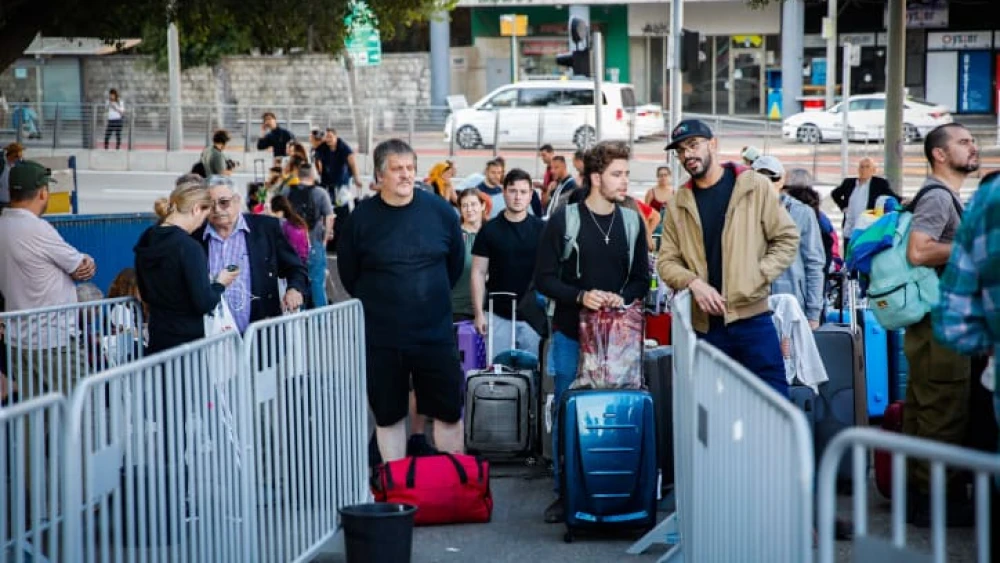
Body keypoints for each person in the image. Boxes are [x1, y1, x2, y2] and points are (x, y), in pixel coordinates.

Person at [534, 140, 650, 523]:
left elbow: (640, 279)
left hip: (617, 340)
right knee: (570, 409)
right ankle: (564, 491)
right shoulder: (565, 219)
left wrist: (620, 297)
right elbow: (544, 279)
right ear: (596, 177)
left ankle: (611, 490)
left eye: (626, 174)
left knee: (614, 411)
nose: (624, 182)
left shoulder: (632, 220)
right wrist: (582, 295)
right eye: (617, 174)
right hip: (570, 333)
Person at [337, 138, 466, 463]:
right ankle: (395, 488)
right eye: (397, 169)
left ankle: (454, 489)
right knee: (388, 414)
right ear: (380, 176)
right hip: (383, 338)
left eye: (410, 168)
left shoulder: (441, 212)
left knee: (449, 412)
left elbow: (453, 266)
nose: (406, 175)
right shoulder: (360, 220)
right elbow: (350, 275)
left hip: (435, 334)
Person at [656, 119, 799, 396]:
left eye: (693, 145)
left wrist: (757, 276)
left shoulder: (753, 186)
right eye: (681, 151)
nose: (687, 155)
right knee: (714, 415)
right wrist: (694, 283)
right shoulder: (678, 203)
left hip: (753, 319)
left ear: (713, 144)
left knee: (773, 405)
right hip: (707, 328)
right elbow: (666, 261)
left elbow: (786, 238)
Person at [903, 123, 979, 526]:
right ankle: (937, 504)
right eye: (964, 142)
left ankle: (917, 500)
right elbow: (919, 251)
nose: (973, 146)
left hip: (928, 325)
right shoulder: (938, 198)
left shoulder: (939, 196)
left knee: (923, 411)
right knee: (943, 414)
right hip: (941, 327)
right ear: (940, 154)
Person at [0, 161, 97, 394]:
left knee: (33, 417)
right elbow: (80, 264)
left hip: (17, 339)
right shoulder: (38, 228)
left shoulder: (3, 225)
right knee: (79, 407)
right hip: (53, 337)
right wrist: (86, 261)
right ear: (43, 192)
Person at [134, 178, 239, 353]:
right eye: (203, 219)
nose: (200, 225)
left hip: (158, 335)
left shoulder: (147, 237)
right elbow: (203, 302)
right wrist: (220, 283)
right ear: (196, 209)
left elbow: (144, 292)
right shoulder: (189, 247)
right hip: (187, 342)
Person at [193, 175, 308, 332]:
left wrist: (294, 289)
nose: (217, 209)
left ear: (237, 200)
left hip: (260, 334)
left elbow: (295, 268)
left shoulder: (266, 228)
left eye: (224, 202)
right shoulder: (195, 237)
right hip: (212, 339)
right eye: (210, 204)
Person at [472, 168, 545, 359]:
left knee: (531, 377)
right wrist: (479, 313)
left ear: (531, 195)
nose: (517, 197)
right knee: (497, 375)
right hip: (498, 315)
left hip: (533, 317)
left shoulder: (542, 230)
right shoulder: (489, 230)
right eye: (513, 191)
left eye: (523, 192)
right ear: (503, 192)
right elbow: (478, 272)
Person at [752, 156, 825, 328]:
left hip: (793, 305)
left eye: (772, 178)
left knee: (793, 353)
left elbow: (814, 264)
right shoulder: (740, 213)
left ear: (782, 180)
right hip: (754, 306)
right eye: (759, 179)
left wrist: (814, 314)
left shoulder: (802, 213)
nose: (767, 184)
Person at [281, 164, 334, 308]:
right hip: (314, 242)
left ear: (298, 175)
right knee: (317, 282)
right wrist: (325, 239)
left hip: (291, 245)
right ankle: (320, 321)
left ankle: (300, 317)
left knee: (297, 282)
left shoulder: (287, 191)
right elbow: (329, 217)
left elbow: (281, 216)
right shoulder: (320, 193)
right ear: (313, 175)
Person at [830, 157, 896, 247]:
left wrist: (904, 200)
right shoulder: (849, 183)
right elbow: (835, 194)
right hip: (849, 229)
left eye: (867, 167)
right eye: (861, 167)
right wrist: (844, 207)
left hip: (867, 228)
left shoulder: (879, 183)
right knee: (848, 256)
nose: (864, 170)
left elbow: (891, 195)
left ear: (873, 170)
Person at [315, 128, 362, 249]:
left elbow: (352, 163)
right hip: (327, 183)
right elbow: (318, 162)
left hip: (342, 184)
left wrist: (356, 178)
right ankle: (330, 237)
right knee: (328, 210)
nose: (328, 139)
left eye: (331, 137)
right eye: (327, 137)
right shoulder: (322, 148)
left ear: (336, 136)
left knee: (342, 209)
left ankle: (343, 237)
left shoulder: (344, 147)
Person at [452, 188, 489, 322]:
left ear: (483, 206)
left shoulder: (492, 234)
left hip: (488, 309)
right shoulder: (454, 236)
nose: (469, 209)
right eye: (464, 205)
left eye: (473, 204)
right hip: (457, 308)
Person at [268, 194, 310, 264]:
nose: (271, 215)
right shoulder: (297, 221)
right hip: (301, 262)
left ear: (280, 212)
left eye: (272, 212)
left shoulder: (285, 225)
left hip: (292, 264)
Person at [0, 142, 24, 210]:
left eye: (20, 157)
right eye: (17, 157)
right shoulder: (2, 163)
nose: (19, 159)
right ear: (10, 154)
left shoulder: (19, 163)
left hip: (12, 201)